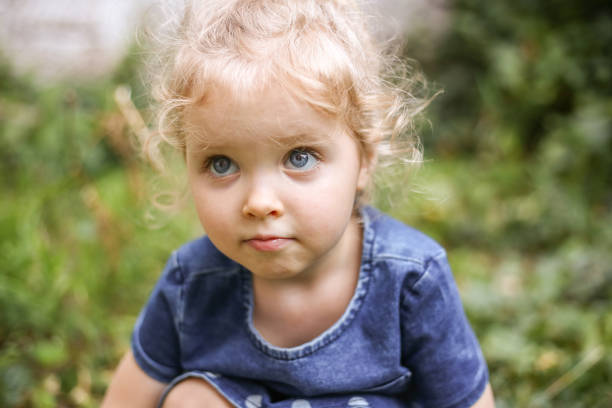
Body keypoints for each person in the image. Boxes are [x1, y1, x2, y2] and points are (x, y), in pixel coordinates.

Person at [102, 0, 495, 407]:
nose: (258, 203)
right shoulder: (194, 282)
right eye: (222, 164)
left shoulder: (410, 280)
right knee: (193, 399)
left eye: (299, 158)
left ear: (364, 159)